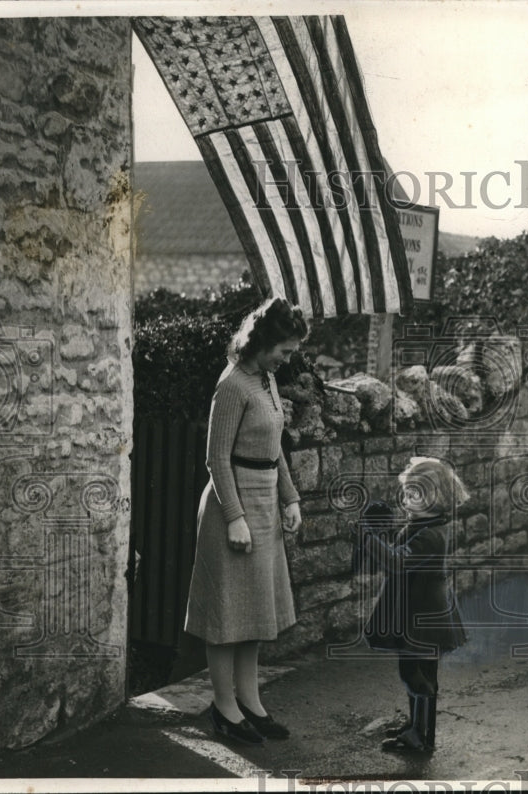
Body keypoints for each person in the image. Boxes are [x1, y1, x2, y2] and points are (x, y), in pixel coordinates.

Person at [185, 297, 308, 745]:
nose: (288, 358)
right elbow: (216, 458)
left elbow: (274, 448)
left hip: (264, 505)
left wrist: (289, 498)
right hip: (230, 508)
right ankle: (224, 708)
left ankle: (251, 704)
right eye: (286, 350)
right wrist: (235, 518)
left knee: (254, 612)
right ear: (265, 341)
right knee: (227, 614)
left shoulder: (268, 380)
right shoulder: (233, 385)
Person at [359, 457, 469, 755]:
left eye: (413, 494)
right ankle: (416, 727)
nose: (405, 499)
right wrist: (381, 531)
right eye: (406, 493)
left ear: (434, 498)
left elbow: (398, 561)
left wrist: (370, 537)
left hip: (426, 619)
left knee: (417, 674)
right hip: (419, 614)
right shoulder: (423, 524)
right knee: (415, 671)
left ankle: (422, 736)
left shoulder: (432, 534)